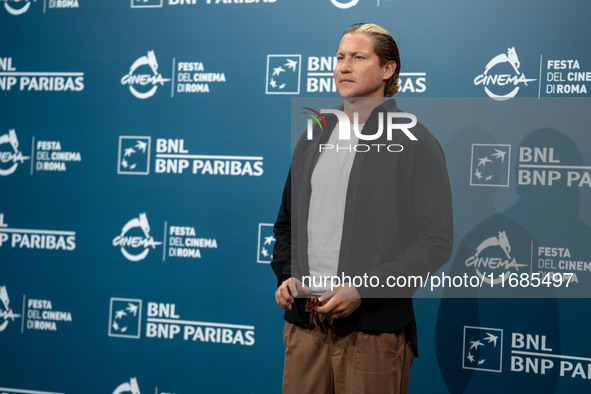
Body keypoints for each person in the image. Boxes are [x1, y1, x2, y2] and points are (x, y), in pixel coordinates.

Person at [271, 23, 453, 394]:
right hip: (305, 328)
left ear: (388, 70)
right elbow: (286, 224)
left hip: (373, 332)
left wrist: (363, 289)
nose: (343, 67)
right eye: (339, 57)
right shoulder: (314, 134)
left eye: (358, 57)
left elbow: (435, 243)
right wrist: (287, 276)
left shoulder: (416, 142)